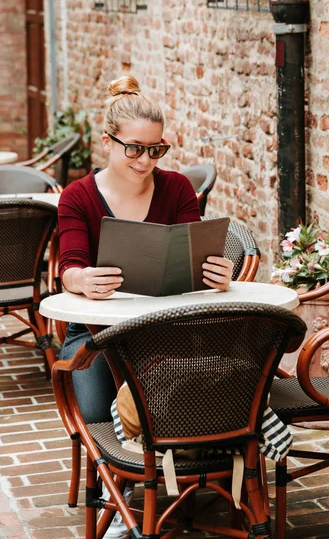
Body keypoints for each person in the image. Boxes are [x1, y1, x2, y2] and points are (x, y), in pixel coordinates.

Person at [58, 74, 233, 422]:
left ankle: (179, 468)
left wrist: (218, 273)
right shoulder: (77, 196)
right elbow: (69, 268)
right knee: (96, 419)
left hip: (166, 328)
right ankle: (118, 473)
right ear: (108, 143)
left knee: (197, 407)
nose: (145, 160)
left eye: (156, 150)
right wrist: (82, 280)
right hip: (96, 332)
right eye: (134, 147)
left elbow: (195, 262)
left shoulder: (178, 188)